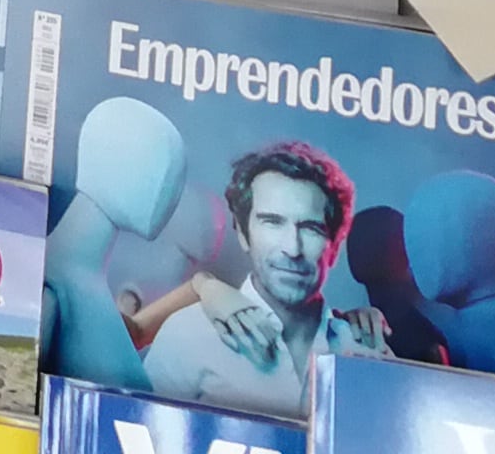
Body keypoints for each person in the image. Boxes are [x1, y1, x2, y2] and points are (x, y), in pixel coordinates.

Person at [137, 142, 391, 412]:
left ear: (335, 245)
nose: (292, 248)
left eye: (311, 228)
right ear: (244, 235)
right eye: (272, 222)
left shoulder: (367, 350)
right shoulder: (188, 334)